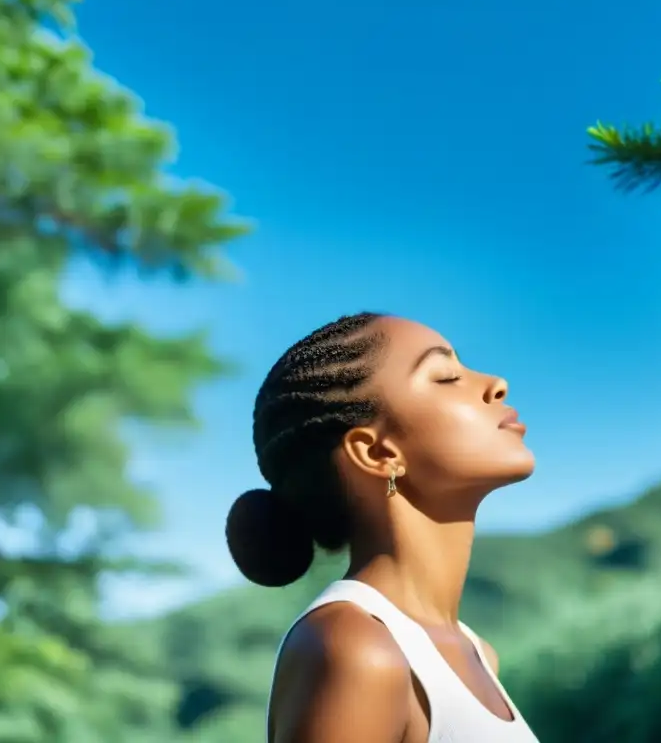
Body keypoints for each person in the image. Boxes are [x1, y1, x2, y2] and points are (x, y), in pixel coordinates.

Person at [225, 312, 541, 742]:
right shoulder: (355, 647)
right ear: (378, 453)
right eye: (446, 376)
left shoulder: (477, 652)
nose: (496, 383)